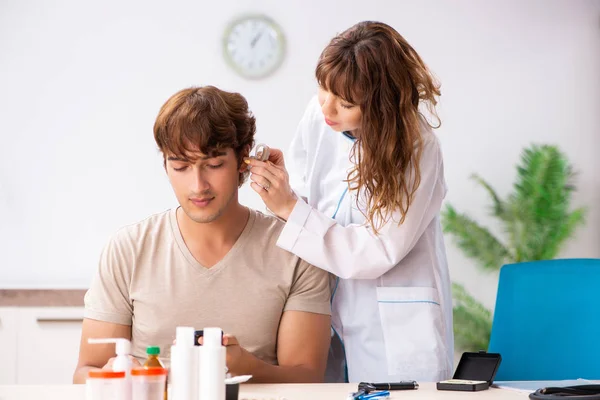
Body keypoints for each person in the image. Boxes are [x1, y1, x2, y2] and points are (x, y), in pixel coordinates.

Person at [73, 86, 332, 384]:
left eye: (214, 165)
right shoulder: (129, 248)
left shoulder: (295, 249)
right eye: (181, 166)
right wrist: (120, 375)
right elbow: (85, 373)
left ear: (244, 159)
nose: (198, 186)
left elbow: (308, 379)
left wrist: (247, 367)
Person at [244, 21, 453, 383]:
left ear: (381, 105)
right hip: (323, 304)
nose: (328, 109)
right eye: (324, 90)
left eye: (346, 104)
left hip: (391, 324)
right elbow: (308, 196)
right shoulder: (320, 113)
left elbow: (377, 251)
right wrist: (284, 188)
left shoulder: (418, 148)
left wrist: (289, 208)